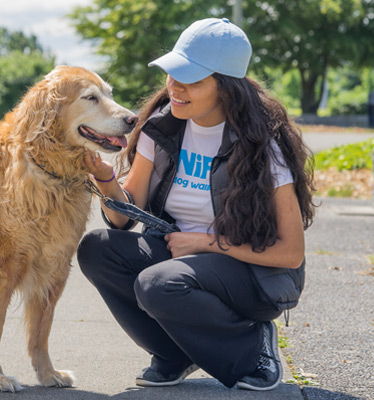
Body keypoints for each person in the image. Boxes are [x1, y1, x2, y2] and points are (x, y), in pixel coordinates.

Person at [77, 17, 316, 391]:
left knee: (158, 284)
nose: (174, 87)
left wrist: (205, 243)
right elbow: (122, 219)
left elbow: (290, 253)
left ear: (227, 87)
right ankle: (174, 353)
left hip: (253, 278)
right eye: (173, 75)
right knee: (98, 249)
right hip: (183, 261)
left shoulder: (264, 144)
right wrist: (106, 180)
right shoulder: (163, 127)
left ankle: (251, 347)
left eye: (191, 80)